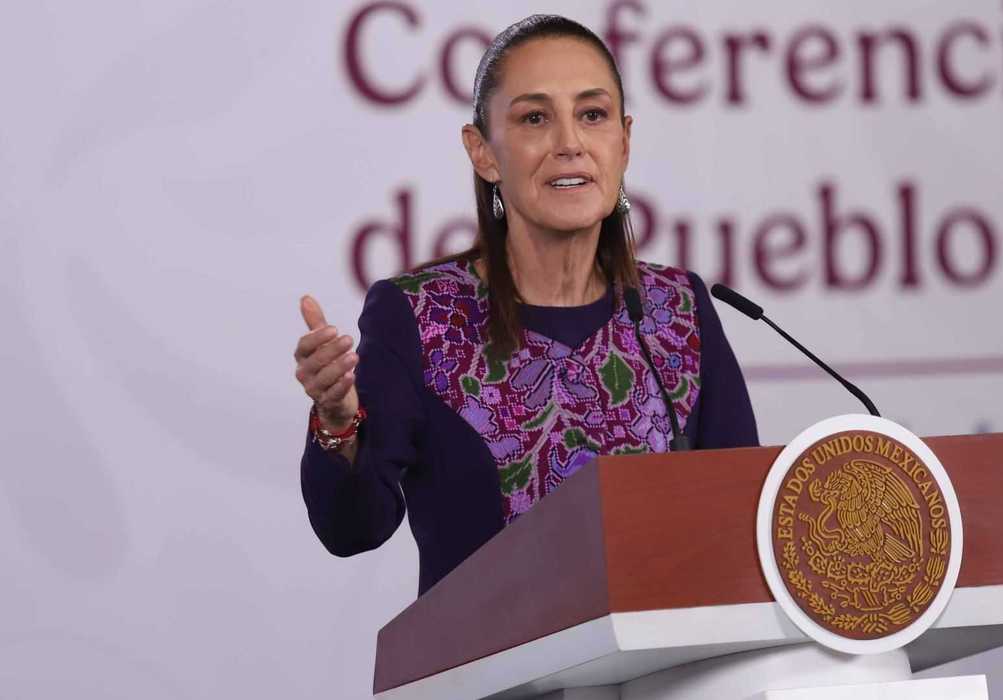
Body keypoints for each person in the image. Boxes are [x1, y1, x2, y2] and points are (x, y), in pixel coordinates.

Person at [294, 15, 759, 594]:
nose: (570, 144)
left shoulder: (677, 310)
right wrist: (338, 424)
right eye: (535, 118)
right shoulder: (421, 316)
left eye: (593, 115)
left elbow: (740, 525)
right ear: (483, 152)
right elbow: (353, 529)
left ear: (624, 142)